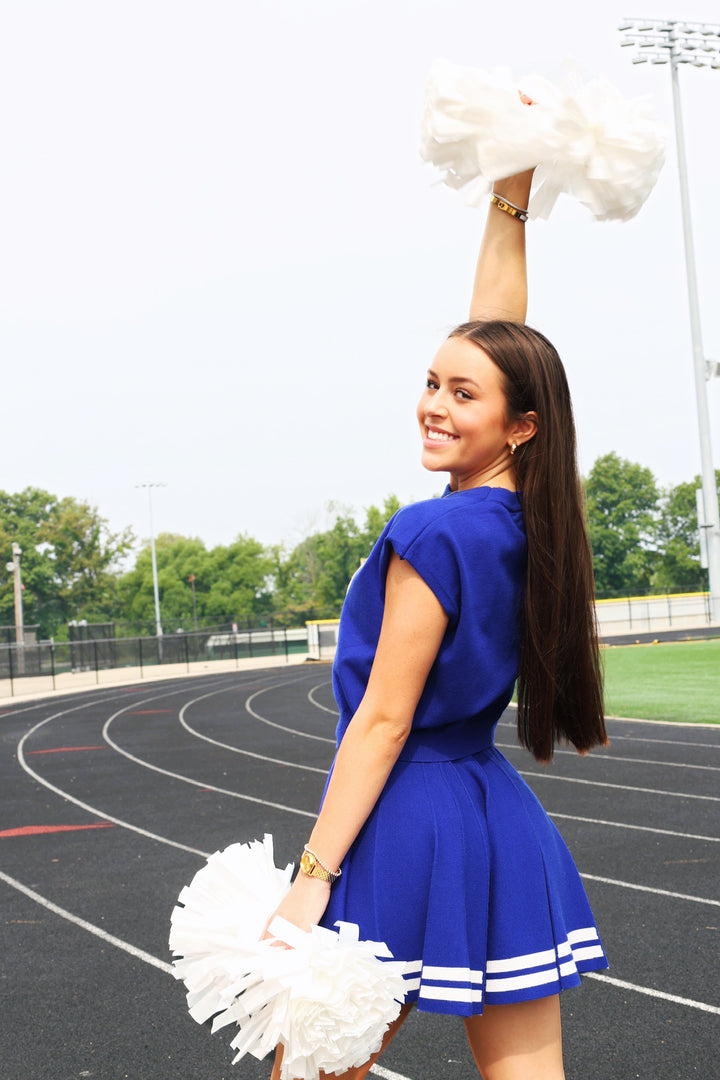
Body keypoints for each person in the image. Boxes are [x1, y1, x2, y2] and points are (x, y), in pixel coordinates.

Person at [268, 167, 608, 1080]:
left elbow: (381, 722)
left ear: (519, 425)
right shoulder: (532, 518)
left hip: (407, 821)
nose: (434, 404)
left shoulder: (433, 529)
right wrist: (512, 192)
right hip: (496, 820)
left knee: (310, 1072)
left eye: (463, 395)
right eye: (432, 382)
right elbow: (501, 340)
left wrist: (311, 879)